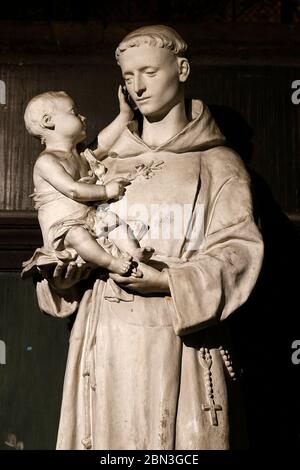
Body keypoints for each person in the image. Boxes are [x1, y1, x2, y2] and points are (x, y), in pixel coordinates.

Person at [33, 25, 264, 449]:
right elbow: (67, 239)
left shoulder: (217, 164)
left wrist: (169, 282)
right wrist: (63, 276)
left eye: (149, 72)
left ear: (182, 69)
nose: (137, 87)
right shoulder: (104, 165)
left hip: (179, 341)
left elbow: (239, 253)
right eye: (128, 77)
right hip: (106, 344)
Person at [22, 88, 154, 280]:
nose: (82, 117)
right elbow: (73, 190)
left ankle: (133, 252)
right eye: (74, 112)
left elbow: (105, 143)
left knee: (115, 225)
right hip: (64, 229)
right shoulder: (47, 161)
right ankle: (112, 262)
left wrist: (125, 114)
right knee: (79, 236)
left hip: (89, 219)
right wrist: (106, 190)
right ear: (48, 121)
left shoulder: (81, 156)